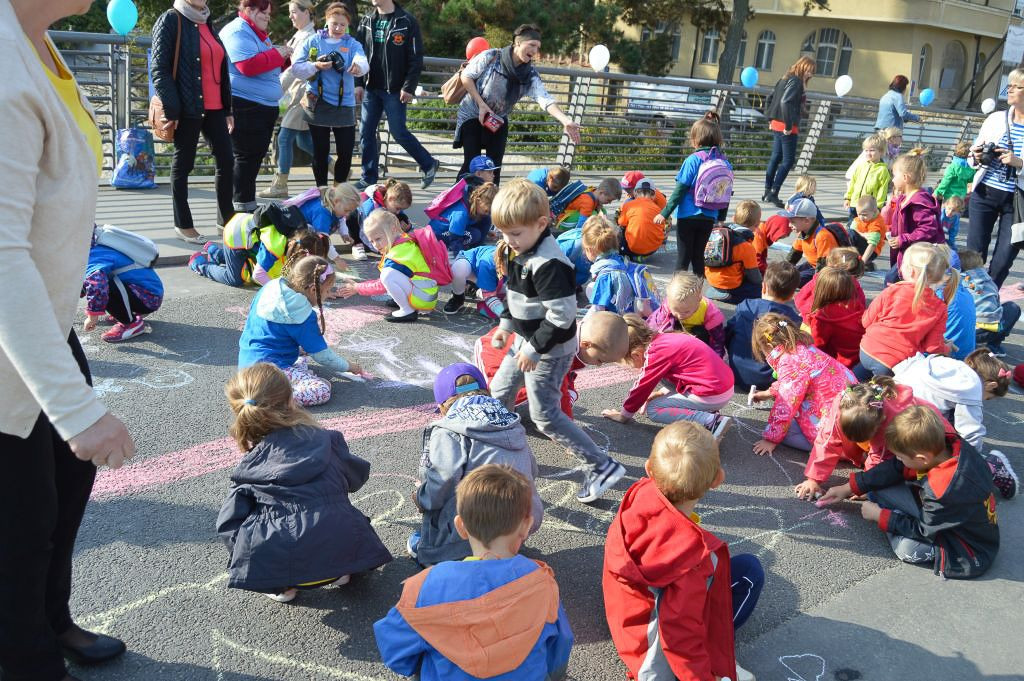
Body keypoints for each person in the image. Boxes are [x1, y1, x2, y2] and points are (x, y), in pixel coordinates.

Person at [2, 1, 137, 678]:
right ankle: (25, 658)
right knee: (20, 520)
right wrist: (77, 410)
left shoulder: (35, 41)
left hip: (44, 323)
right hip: (8, 342)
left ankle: (50, 621)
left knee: (65, 483)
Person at [487, 179, 627, 503]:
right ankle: (503, 450)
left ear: (541, 224)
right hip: (526, 340)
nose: (508, 240)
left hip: (549, 350)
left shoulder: (551, 264)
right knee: (500, 393)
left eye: (515, 233)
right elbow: (515, 296)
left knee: (545, 415)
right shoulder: (520, 249)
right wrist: (505, 326)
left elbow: (562, 315)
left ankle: (601, 465)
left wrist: (534, 349)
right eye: (503, 233)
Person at [374, 465, 574, 680]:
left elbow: (395, 651)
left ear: (460, 526)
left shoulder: (425, 587)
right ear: (526, 526)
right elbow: (560, 647)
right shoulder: (542, 581)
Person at [216, 363, 391, 603]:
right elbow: (357, 476)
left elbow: (227, 524)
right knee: (343, 520)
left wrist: (250, 557)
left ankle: (282, 589)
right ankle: (341, 574)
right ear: (291, 401)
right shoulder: (327, 441)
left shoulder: (249, 469)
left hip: (283, 569)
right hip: (341, 552)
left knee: (262, 536)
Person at [603, 422, 762, 681]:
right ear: (718, 479)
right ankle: (717, 654)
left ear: (649, 469)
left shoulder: (637, 494)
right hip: (654, 661)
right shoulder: (695, 559)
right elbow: (680, 635)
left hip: (628, 623)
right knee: (750, 572)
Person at [818, 406, 999, 579]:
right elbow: (895, 467)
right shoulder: (947, 444)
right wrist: (850, 487)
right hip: (943, 513)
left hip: (966, 548)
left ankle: (904, 523)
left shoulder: (943, 489)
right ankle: (899, 516)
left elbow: (924, 530)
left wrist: (881, 516)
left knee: (907, 549)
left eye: (901, 456)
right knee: (877, 488)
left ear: (922, 458)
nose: (898, 459)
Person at [409, 364, 544, 566]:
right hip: (523, 518)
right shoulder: (511, 422)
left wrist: (421, 497)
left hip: (480, 525)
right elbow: (533, 470)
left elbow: (443, 482)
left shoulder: (449, 431)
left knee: (440, 498)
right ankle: (504, 545)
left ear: (443, 405)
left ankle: (438, 554)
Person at [151, 0, 234, 244]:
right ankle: (183, 223)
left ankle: (226, 220)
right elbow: (159, 68)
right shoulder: (171, 19)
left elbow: (221, 70)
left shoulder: (207, 20)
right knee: (183, 164)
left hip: (215, 107)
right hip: (187, 108)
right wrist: (172, 109)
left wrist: (227, 107)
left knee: (227, 161)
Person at [455, 24, 581, 184]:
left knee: (494, 168)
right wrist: (481, 104)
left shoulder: (530, 75)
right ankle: (455, 198)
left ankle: (490, 199)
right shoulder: (492, 56)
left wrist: (565, 120)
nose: (535, 51)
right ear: (518, 43)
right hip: (473, 113)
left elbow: (545, 99)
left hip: (497, 120)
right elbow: (466, 77)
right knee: (472, 165)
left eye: (538, 47)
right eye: (532, 45)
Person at [238, 255, 362, 405]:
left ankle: (265, 390)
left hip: (246, 365)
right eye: (327, 291)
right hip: (269, 375)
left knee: (302, 357)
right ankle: (266, 399)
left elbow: (272, 331)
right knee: (322, 389)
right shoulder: (302, 315)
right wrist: (350, 366)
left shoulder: (270, 288)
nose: (328, 295)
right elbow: (323, 356)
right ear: (313, 289)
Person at [600, 314, 735, 437]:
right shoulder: (664, 338)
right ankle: (707, 411)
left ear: (636, 355)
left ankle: (711, 422)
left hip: (712, 393)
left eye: (628, 364)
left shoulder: (655, 353)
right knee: (663, 379)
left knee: (654, 409)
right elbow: (685, 372)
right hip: (722, 386)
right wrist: (661, 392)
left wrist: (623, 416)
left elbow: (642, 387)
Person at [353, 0, 438, 189]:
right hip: (371, 87)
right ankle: (368, 177)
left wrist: (409, 87)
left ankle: (428, 163)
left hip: (395, 90)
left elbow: (416, 58)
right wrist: (358, 83)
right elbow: (357, 54)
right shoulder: (366, 20)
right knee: (366, 132)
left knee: (398, 132)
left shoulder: (407, 21)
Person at [749, 313, 856, 456]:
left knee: (787, 431)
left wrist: (771, 439)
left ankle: (832, 449)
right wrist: (768, 393)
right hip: (855, 419)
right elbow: (792, 382)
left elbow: (786, 404)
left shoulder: (788, 362)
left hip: (837, 433)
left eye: (763, 352)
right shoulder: (804, 349)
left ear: (769, 346)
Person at [291, 3, 368, 189]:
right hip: (317, 102)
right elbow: (296, 67)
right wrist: (315, 66)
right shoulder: (314, 41)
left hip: (345, 104)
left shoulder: (352, 43)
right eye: (334, 23)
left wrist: (358, 67)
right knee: (320, 151)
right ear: (326, 21)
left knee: (346, 151)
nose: (338, 28)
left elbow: (363, 61)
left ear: (347, 25)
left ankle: (339, 189)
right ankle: (322, 191)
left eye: (343, 25)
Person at [221, 0, 288, 212]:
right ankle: (240, 208)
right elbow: (248, 65)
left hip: (260, 106)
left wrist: (283, 59)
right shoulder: (237, 31)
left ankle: (245, 205)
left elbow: (265, 63)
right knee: (245, 158)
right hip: (245, 105)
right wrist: (278, 54)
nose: (268, 17)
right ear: (249, 10)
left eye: (269, 13)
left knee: (253, 158)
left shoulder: (256, 33)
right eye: (263, 13)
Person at [859, 243, 954, 379]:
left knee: (861, 377)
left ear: (911, 271)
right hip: (895, 364)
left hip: (867, 350)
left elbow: (865, 321)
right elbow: (932, 347)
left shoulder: (893, 290)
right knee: (884, 388)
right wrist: (946, 348)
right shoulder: (940, 308)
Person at [894, 350, 1013, 456]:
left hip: (893, 397)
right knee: (953, 427)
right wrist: (974, 458)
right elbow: (971, 432)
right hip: (908, 422)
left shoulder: (951, 364)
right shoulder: (971, 387)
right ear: (991, 385)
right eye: (987, 398)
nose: (982, 401)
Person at [966, 67, 1024, 287]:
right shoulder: (996, 119)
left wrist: (1019, 163)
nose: (1009, 90)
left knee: (1003, 261)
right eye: (1009, 85)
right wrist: (976, 156)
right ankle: (971, 297)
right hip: (985, 194)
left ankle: (989, 296)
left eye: (1016, 86)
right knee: (974, 255)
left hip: (1017, 202)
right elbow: (972, 154)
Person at [654, 112, 732, 274]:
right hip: (709, 217)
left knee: (683, 258)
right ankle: (698, 288)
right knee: (698, 257)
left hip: (687, 215)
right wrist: (721, 218)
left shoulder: (693, 160)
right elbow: (724, 193)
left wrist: (664, 213)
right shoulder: (725, 162)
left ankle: (677, 289)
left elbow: (680, 190)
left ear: (695, 139)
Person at [189, 203, 333, 287]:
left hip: (252, 233)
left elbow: (319, 266)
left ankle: (213, 251)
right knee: (234, 279)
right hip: (235, 234)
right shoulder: (274, 247)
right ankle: (199, 264)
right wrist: (278, 290)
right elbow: (258, 275)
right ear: (298, 254)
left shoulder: (308, 236)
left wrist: (323, 286)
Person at [259, 0, 318, 199]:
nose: (290, 16)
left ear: (307, 12)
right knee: (303, 141)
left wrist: (276, 87)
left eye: (294, 12)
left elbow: (296, 69)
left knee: (284, 138)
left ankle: (280, 185)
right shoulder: (301, 35)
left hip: (303, 94)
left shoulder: (310, 37)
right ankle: (337, 168)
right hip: (297, 94)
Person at [338, 210, 438, 322]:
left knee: (387, 275)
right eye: (371, 241)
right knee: (390, 274)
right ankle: (403, 301)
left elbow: (382, 285)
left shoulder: (398, 254)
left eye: (378, 239)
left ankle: (407, 310)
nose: (375, 245)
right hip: (424, 293)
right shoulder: (402, 241)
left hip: (423, 298)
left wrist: (357, 288)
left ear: (393, 229)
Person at [726, 261, 802, 389]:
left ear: (764, 287)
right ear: (792, 295)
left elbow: (728, 333)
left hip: (736, 371)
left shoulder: (745, 306)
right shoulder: (793, 320)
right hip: (768, 379)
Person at [82, 227, 164, 343]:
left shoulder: (92, 256)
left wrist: (92, 316)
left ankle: (130, 323)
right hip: (146, 293)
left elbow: (97, 286)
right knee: (98, 280)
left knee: (104, 284)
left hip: (148, 298)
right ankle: (126, 311)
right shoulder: (97, 246)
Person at [882, 150, 945, 285]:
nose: (892, 180)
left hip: (918, 254)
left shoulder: (919, 201)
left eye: (894, 176)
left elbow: (928, 229)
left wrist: (903, 239)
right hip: (907, 250)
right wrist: (890, 231)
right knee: (898, 281)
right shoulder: (904, 198)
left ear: (905, 177)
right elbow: (902, 223)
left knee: (891, 280)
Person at [763, 56, 815, 207]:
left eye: (812, 72)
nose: (810, 74)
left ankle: (767, 191)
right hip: (787, 126)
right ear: (802, 67)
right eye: (809, 70)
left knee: (776, 157)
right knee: (788, 161)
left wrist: (770, 119)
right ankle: (774, 193)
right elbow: (785, 102)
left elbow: (770, 98)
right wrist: (788, 125)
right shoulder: (796, 81)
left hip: (776, 123)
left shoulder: (784, 78)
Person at [646, 271, 727, 357]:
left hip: (699, 340)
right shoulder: (667, 308)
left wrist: (715, 357)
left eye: (686, 312)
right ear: (668, 301)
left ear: (699, 300)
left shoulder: (709, 312)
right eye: (676, 310)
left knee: (700, 332)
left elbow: (718, 339)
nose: (680, 315)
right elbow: (654, 326)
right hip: (679, 338)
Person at [960, 249, 1022, 355]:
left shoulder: (961, 280)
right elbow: (996, 304)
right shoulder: (989, 280)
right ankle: (994, 346)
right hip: (994, 329)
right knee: (1013, 307)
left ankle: (966, 345)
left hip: (971, 331)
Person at [803, 267, 865, 371]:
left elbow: (817, 347)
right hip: (859, 361)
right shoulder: (857, 305)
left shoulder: (823, 316)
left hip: (837, 366)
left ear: (821, 290)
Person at [704, 200, 763, 304]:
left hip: (711, 279)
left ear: (733, 218)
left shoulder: (716, 234)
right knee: (759, 289)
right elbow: (754, 276)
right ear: (757, 224)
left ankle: (717, 290)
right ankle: (729, 296)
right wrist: (762, 282)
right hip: (730, 285)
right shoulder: (746, 246)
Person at [348, 177, 413, 259]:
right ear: (390, 199)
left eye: (401, 209)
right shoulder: (371, 208)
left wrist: (406, 228)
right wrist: (380, 249)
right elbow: (367, 232)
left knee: (402, 217)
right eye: (398, 208)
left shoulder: (393, 206)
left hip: (380, 225)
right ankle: (357, 244)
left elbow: (402, 219)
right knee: (351, 216)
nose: (398, 212)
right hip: (361, 225)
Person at [582, 215, 635, 315]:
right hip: (634, 315)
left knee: (590, 288)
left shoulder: (604, 275)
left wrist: (583, 322)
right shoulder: (622, 261)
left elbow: (598, 311)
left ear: (590, 250)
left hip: (619, 320)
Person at [794, 247, 867, 318]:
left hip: (815, 320)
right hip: (845, 324)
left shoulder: (821, 278)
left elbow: (802, 297)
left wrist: (805, 313)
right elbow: (861, 308)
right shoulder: (855, 287)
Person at [428, 181, 498, 252]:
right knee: (475, 234)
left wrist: (487, 232)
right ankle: (451, 247)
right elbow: (455, 238)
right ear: (478, 201)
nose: (488, 213)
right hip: (437, 234)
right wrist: (461, 255)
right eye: (486, 211)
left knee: (486, 219)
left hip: (450, 230)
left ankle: (478, 247)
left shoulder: (474, 205)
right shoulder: (461, 214)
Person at [784, 198, 838, 286]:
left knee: (793, 280)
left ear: (807, 221)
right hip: (812, 264)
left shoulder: (822, 236)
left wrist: (816, 285)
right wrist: (781, 272)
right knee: (787, 275)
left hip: (827, 271)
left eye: (792, 222)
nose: (789, 225)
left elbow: (824, 267)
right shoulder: (802, 233)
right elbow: (793, 256)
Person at [444, 242, 507, 317]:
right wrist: (505, 316)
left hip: (495, 273)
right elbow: (489, 297)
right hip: (472, 266)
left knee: (504, 295)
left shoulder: (515, 263)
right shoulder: (488, 264)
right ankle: (458, 297)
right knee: (458, 270)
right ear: (501, 264)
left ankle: (474, 289)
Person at [844, 133, 891, 226]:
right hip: (855, 204)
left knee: (866, 227)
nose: (868, 153)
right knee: (851, 226)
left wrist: (878, 206)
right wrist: (848, 198)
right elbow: (853, 183)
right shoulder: (860, 166)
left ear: (881, 152)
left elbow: (882, 190)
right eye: (866, 150)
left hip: (868, 207)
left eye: (872, 150)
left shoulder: (882, 170)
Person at [616, 177, 665, 257]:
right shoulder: (658, 209)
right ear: (653, 195)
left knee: (622, 227)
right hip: (653, 249)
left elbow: (621, 222)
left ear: (635, 193)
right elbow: (662, 226)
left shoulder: (628, 205)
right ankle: (643, 254)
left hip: (633, 249)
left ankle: (623, 252)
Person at [556, 178, 622, 231]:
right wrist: (579, 234)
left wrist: (599, 207)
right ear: (601, 193)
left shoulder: (594, 191)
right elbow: (582, 221)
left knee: (603, 211)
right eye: (609, 200)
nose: (610, 203)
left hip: (573, 217)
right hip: (564, 222)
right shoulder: (588, 201)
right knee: (594, 215)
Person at [850, 195, 886, 270]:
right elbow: (853, 228)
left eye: (864, 215)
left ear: (874, 212)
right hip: (863, 244)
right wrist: (863, 235)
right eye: (858, 214)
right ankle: (850, 260)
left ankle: (863, 262)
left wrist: (862, 263)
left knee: (852, 235)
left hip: (872, 252)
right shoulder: (862, 218)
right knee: (849, 234)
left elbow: (872, 245)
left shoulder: (876, 224)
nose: (861, 217)